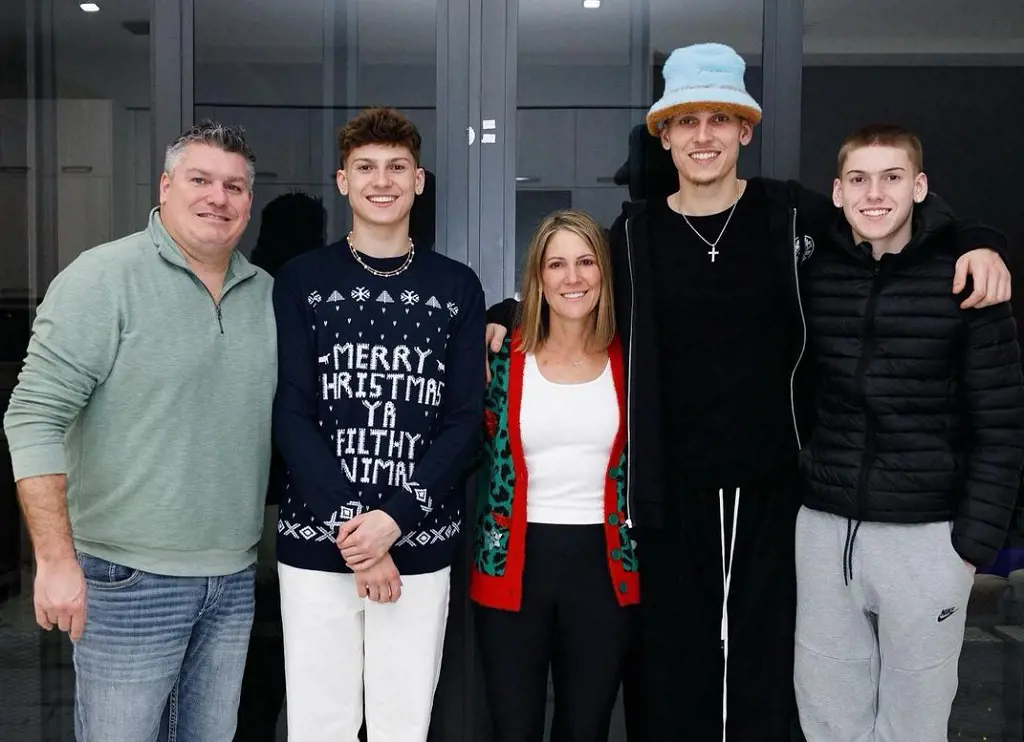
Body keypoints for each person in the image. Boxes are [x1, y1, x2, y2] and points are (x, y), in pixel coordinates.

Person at [485, 42, 1013, 742]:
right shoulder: (637, 233)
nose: (703, 135)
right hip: (669, 490)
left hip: (779, 489)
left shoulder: (790, 214)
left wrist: (974, 236)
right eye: (687, 121)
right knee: (671, 675)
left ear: (745, 130)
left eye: (720, 119)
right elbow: (573, 291)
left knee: (772, 674)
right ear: (664, 135)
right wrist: (504, 318)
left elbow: (885, 216)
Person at [3, 121, 274, 741]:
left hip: (232, 580)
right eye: (200, 180)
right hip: (126, 579)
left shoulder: (266, 296)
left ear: (248, 202)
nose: (218, 198)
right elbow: (33, 415)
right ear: (165, 186)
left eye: (234, 186)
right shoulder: (102, 279)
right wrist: (53, 559)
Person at [793, 124, 1024, 742]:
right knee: (827, 713)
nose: (876, 194)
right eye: (859, 179)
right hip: (825, 529)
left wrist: (973, 543)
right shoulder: (812, 274)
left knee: (915, 721)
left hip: (929, 537)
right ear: (837, 193)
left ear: (918, 186)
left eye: (892, 177)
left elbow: (1001, 422)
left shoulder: (969, 279)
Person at [271, 106, 485, 742]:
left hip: (418, 543)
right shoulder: (302, 281)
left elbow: (465, 422)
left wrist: (393, 520)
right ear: (342, 181)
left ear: (419, 181)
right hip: (316, 546)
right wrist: (355, 533)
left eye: (397, 167)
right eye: (365, 167)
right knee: (320, 723)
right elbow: (291, 410)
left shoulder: (456, 287)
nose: (382, 180)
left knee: (403, 723)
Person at [471, 209, 639, 742]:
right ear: (537, 278)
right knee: (513, 730)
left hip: (604, 568)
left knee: (585, 729)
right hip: (513, 565)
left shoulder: (631, 357)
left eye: (586, 262)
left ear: (604, 273)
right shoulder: (501, 355)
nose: (573, 278)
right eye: (557, 264)